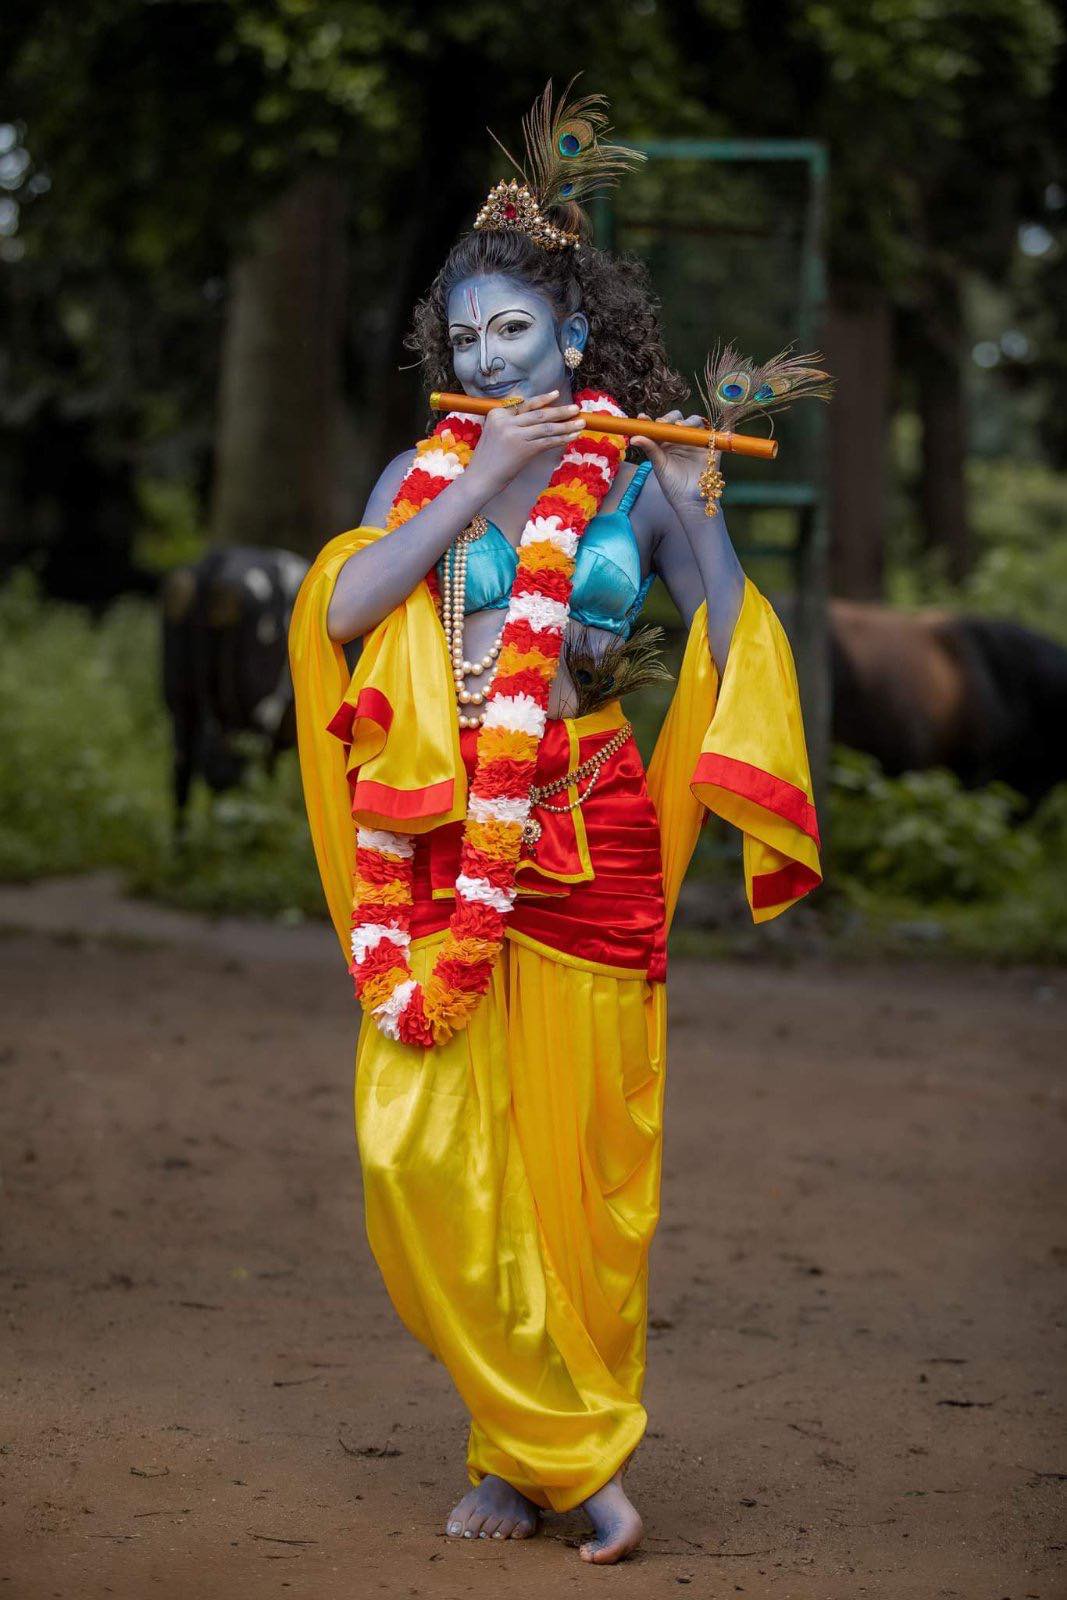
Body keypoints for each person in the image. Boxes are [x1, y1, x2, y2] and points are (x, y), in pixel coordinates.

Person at [288, 82, 822, 1565]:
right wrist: (487, 490)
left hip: (591, 837)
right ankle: (558, 1448)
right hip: (448, 841)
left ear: (573, 341)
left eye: (514, 333)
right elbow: (336, 612)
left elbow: (729, 639)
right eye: (465, 340)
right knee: (424, 1156)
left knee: (575, 1180)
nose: (487, 357)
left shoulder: (641, 478)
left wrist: (704, 506)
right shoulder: (425, 475)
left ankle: (528, 1461)